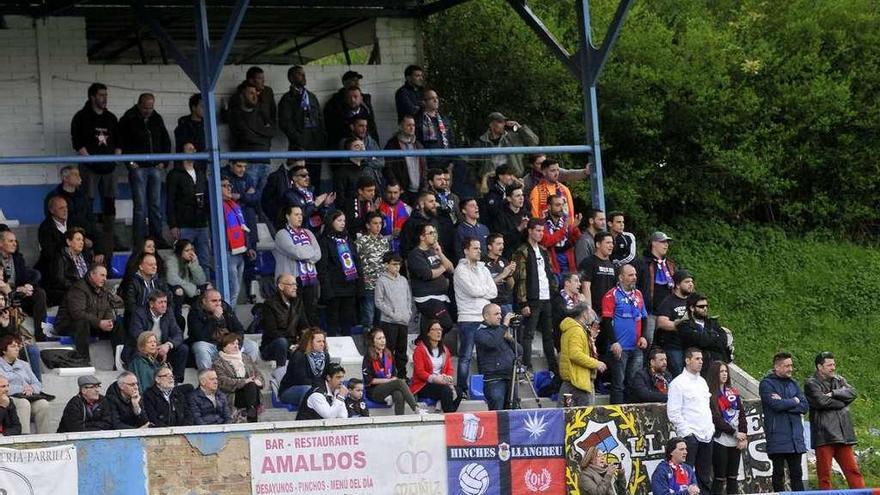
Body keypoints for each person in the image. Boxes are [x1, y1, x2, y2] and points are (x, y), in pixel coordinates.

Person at [70, 82, 122, 251]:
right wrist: (91, 161)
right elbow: (78, 142)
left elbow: (119, 142)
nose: (104, 98)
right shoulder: (81, 117)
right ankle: (88, 237)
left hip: (109, 168)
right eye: (101, 95)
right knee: (88, 202)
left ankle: (109, 239)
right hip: (90, 167)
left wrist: (114, 160)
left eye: (106, 95)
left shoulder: (111, 118)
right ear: (92, 97)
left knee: (110, 202)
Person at [805, 351, 864, 490]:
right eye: (829, 365)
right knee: (824, 476)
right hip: (824, 435)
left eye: (834, 364)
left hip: (843, 434)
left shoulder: (839, 379)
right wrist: (843, 402)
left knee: (853, 471)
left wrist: (833, 394)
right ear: (820, 367)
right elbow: (821, 402)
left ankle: (862, 493)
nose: (833, 367)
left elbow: (853, 392)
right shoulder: (811, 383)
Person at [118, 93, 171, 245]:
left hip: (155, 166)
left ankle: (157, 237)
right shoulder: (128, 118)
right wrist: (130, 162)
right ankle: (139, 239)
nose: (149, 110)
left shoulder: (156, 118)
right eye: (146, 107)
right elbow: (121, 141)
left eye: (151, 107)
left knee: (155, 205)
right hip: (138, 167)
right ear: (139, 104)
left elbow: (165, 140)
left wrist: (164, 161)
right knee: (140, 205)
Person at [512, 219, 558, 374]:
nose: (540, 233)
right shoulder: (522, 251)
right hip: (532, 298)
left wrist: (553, 290)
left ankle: (553, 367)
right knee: (528, 334)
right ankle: (527, 366)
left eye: (542, 231)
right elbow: (521, 279)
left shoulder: (544, 251)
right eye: (537, 230)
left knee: (548, 334)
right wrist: (523, 301)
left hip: (546, 297)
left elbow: (549, 274)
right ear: (530, 231)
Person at [667, 348, 714, 495]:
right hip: (690, 436)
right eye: (697, 359)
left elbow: (706, 408)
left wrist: (711, 428)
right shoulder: (677, 383)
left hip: (707, 435)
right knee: (686, 476)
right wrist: (688, 434)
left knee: (705, 476)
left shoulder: (702, 382)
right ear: (687, 360)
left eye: (701, 359)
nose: (701, 362)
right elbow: (673, 412)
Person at [600, 264, 649, 404]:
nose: (634, 278)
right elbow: (607, 321)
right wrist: (614, 342)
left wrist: (644, 336)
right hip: (620, 348)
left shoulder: (638, 294)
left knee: (633, 383)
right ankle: (617, 416)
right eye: (630, 275)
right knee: (618, 384)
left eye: (635, 275)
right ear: (621, 277)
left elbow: (644, 317)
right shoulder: (612, 295)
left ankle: (630, 415)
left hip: (636, 347)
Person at [454, 237, 497, 396]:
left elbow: (494, 292)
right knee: (465, 356)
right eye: (475, 248)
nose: (479, 251)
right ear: (466, 250)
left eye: (480, 248)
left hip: (483, 318)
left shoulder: (484, 269)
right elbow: (473, 291)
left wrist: (481, 291)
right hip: (467, 318)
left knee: (484, 356)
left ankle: (485, 388)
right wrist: (483, 291)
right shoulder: (460, 270)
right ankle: (462, 390)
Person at [54, 264, 119, 363]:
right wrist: (99, 323)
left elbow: (107, 309)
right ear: (92, 274)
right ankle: (83, 360)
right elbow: (77, 313)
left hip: (93, 324)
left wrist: (109, 321)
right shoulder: (78, 288)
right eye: (102, 275)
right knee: (82, 322)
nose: (105, 279)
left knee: (119, 325)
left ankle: (120, 359)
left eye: (105, 276)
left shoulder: (103, 290)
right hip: (68, 325)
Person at [124, 290, 188, 385]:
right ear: (151, 304)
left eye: (165, 302)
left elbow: (178, 333)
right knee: (139, 352)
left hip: (162, 349)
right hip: (142, 349)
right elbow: (138, 336)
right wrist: (157, 349)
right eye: (160, 302)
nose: (164, 305)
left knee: (183, 349)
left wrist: (168, 345)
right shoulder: (139, 313)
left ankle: (175, 381)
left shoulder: (168, 312)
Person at [187, 289, 259, 370]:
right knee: (200, 347)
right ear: (204, 301)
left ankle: (245, 374)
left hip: (227, 342)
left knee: (252, 346)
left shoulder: (226, 308)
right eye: (214, 301)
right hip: (210, 345)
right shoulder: (195, 312)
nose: (218, 304)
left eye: (219, 300)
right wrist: (214, 318)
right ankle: (208, 377)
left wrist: (233, 344)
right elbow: (200, 336)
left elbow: (239, 329)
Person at [273, 205, 321, 325]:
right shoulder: (281, 234)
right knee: (295, 313)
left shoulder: (308, 233)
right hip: (292, 280)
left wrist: (305, 251)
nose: (300, 217)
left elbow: (318, 254)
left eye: (301, 215)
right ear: (287, 216)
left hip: (310, 279)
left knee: (311, 312)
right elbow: (296, 252)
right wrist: (309, 251)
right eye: (296, 214)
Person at [166, 143, 211, 270]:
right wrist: (173, 225)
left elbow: (207, 196)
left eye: (194, 149)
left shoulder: (201, 173)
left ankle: (205, 287)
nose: (194, 151)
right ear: (182, 152)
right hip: (184, 224)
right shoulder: (174, 174)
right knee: (183, 262)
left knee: (204, 261)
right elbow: (170, 201)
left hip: (202, 223)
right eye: (190, 149)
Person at [707, 361, 748, 495]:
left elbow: (741, 414)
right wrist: (734, 432)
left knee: (733, 477)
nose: (724, 374)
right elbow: (716, 419)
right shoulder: (710, 395)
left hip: (737, 439)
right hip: (721, 439)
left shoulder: (733, 392)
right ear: (715, 374)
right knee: (719, 477)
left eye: (726, 371)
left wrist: (743, 434)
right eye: (721, 372)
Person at [317, 211, 361, 336]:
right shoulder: (324, 240)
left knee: (347, 323)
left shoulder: (348, 239)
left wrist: (358, 285)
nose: (342, 224)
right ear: (331, 222)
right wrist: (327, 290)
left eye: (344, 221)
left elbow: (356, 261)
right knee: (333, 322)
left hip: (349, 287)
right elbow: (323, 268)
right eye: (339, 220)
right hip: (333, 289)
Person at [362, 327, 423, 416]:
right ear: (373, 342)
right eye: (379, 338)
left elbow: (394, 374)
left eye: (383, 338)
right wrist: (389, 381)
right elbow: (369, 380)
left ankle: (399, 420)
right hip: (374, 391)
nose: (383, 341)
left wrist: (391, 380)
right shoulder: (368, 357)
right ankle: (416, 408)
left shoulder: (388, 353)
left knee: (398, 394)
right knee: (399, 382)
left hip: (389, 388)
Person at [0, 230, 48, 341]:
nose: (15, 244)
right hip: (4, 295)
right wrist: (15, 289)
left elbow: (28, 275)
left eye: (15, 241)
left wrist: (28, 286)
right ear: (1, 243)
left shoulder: (17, 258)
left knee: (39, 292)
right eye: (10, 241)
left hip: (17, 294)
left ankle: (40, 333)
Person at [407, 222, 455, 333]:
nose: (434, 235)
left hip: (441, 297)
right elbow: (428, 274)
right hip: (427, 298)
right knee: (446, 323)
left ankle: (428, 346)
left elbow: (451, 269)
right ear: (422, 237)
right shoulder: (415, 254)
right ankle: (420, 341)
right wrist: (443, 268)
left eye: (435, 233)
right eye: (431, 233)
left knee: (436, 327)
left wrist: (440, 253)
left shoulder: (434, 251)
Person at [0, 336, 51, 434]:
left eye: (18, 346)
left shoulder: (24, 364)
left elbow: (37, 383)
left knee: (43, 404)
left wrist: (31, 389)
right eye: (12, 346)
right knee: (23, 403)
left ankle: (45, 438)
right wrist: (22, 389)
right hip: (8, 398)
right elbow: (2, 387)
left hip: (28, 396)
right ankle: (24, 439)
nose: (17, 348)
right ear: (4, 350)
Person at [409, 320, 461, 413]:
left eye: (440, 329)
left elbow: (449, 368)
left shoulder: (445, 350)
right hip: (424, 384)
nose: (439, 332)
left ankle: (449, 415)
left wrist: (447, 377)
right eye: (435, 329)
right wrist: (434, 379)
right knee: (446, 391)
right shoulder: (420, 350)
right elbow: (419, 371)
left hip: (441, 382)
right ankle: (448, 416)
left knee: (459, 392)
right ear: (428, 333)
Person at [259, 273, 311, 367]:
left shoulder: (297, 302)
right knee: (281, 342)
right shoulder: (269, 304)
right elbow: (272, 332)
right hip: (272, 346)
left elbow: (304, 327)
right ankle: (280, 373)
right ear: (281, 286)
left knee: (314, 340)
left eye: (296, 285)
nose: (295, 287)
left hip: (292, 345)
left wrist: (301, 342)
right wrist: (290, 345)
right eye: (292, 285)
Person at [558, 304, 605, 407]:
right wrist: (596, 363)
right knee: (583, 420)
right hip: (578, 382)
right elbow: (575, 354)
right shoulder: (576, 330)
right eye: (590, 312)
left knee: (565, 419)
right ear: (584, 314)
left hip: (572, 380)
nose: (593, 315)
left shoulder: (574, 329)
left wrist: (591, 339)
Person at [474, 304, 519, 410]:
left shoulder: (501, 331)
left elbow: (519, 351)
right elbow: (491, 343)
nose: (500, 316)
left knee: (513, 412)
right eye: (496, 314)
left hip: (510, 377)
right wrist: (504, 326)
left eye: (500, 314)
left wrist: (511, 339)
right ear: (486, 316)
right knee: (497, 412)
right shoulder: (480, 332)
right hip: (494, 379)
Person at [636, 231, 677, 348]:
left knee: (665, 344)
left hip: (666, 314)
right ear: (653, 243)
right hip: (649, 312)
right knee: (647, 343)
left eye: (667, 242)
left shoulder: (669, 264)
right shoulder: (642, 262)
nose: (666, 245)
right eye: (663, 242)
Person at [374, 253, 412, 378]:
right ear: (386, 265)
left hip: (403, 321)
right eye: (394, 264)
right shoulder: (381, 280)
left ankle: (402, 375)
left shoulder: (403, 280)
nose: (397, 267)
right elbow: (378, 301)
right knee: (388, 350)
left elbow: (408, 298)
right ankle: (388, 375)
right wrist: (392, 314)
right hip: (389, 322)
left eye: (399, 264)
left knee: (402, 351)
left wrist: (408, 312)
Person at [677, 294, 731, 377]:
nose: (705, 308)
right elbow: (702, 341)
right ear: (692, 308)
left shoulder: (712, 322)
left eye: (706, 306)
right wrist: (715, 335)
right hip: (700, 370)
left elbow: (723, 341)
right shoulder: (685, 325)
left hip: (719, 368)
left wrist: (707, 337)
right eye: (701, 306)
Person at [213, 333, 263, 423]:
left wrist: (258, 380)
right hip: (233, 394)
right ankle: (252, 414)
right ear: (224, 347)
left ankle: (250, 409)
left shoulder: (246, 357)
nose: (236, 346)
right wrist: (244, 381)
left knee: (251, 385)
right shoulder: (218, 363)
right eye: (232, 344)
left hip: (250, 392)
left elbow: (258, 374)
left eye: (237, 344)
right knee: (250, 384)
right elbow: (223, 382)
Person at [278, 65, 326, 156]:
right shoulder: (287, 98)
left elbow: (320, 118)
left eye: (304, 74)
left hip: (316, 144)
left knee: (315, 169)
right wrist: (298, 138)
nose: (304, 77)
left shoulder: (311, 96)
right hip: (299, 146)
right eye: (300, 74)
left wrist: (322, 137)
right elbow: (285, 123)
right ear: (291, 78)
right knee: (300, 170)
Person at [654, 270, 695, 376]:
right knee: (679, 374)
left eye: (691, 281)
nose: (691, 284)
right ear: (677, 285)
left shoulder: (693, 301)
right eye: (687, 282)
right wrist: (679, 326)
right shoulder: (669, 301)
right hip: (673, 346)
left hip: (691, 345)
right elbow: (661, 322)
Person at [221, 177, 254, 304]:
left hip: (241, 252)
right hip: (229, 253)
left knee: (235, 290)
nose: (229, 188)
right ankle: (227, 321)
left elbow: (243, 227)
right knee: (231, 291)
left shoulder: (235, 205)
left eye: (229, 185)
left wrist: (249, 246)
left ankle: (229, 319)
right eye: (224, 185)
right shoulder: (217, 206)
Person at [475, 111, 539, 178]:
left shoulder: (513, 137)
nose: (503, 124)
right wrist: (477, 183)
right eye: (500, 122)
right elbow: (472, 166)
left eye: (504, 122)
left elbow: (534, 142)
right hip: (490, 181)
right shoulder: (481, 142)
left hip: (513, 178)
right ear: (491, 124)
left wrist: (519, 127)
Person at [356, 212, 390, 329]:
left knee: (380, 319)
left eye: (380, 223)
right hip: (368, 285)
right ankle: (367, 344)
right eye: (375, 223)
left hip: (382, 285)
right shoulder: (361, 241)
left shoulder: (384, 241)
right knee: (368, 318)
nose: (378, 226)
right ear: (368, 225)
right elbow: (356, 262)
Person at [278, 327, 330, 406]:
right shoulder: (299, 355)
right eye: (319, 341)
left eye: (323, 341)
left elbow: (325, 376)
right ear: (310, 342)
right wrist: (319, 389)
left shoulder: (325, 356)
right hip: (291, 390)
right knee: (308, 389)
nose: (322, 344)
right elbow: (301, 380)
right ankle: (306, 415)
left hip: (315, 388)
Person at [164, 239, 209, 328]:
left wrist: (194, 265)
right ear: (180, 251)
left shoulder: (190, 261)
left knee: (207, 287)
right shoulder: (171, 260)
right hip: (175, 292)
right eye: (187, 250)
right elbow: (172, 279)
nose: (191, 253)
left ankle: (204, 318)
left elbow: (200, 281)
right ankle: (177, 321)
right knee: (178, 290)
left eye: (192, 250)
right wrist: (192, 289)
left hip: (189, 292)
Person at [44, 227, 93, 307]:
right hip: (66, 291)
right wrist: (78, 287)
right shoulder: (60, 258)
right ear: (69, 242)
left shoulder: (85, 257)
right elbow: (59, 280)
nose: (82, 242)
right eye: (78, 239)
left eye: (82, 240)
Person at [384, 116, 426, 205]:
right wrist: (397, 186)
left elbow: (424, 167)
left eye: (413, 125)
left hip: (419, 190)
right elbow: (387, 168)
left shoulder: (418, 145)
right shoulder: (393, 145)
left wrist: (424, 186)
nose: (412, 128)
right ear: (401, 126)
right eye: (409, 125)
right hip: (402, 191)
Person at [122, 251, 171, 327]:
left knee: (178, 320)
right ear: (141, 266)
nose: (154, 267)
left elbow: (169, 300)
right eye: (151, 265)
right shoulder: (132, 282)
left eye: (155, 264)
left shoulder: (160, 281)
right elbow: (131, 307)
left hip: (158, 316)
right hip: (138, 319)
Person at [541, 196, 582, 275]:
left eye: (562, 205)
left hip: (568, 262)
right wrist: (564, 229)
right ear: (549, 207)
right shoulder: (543, 224)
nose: (561, 208)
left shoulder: (566, 222)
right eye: (557, 205)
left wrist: (575, 228)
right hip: (553, 264)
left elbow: (575, 240)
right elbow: (547, 242)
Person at [578, 231, 616, 316]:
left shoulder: (612, 265)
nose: (611, 245)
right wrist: (589, 310)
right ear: (598, 244)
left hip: (610, 311)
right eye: (608, 242)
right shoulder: (588, 262)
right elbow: (585, 287)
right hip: (595, 311)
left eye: (612, 243)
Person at [488, 184, 530, 259]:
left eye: (522, 195)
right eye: (517, 196)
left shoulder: (527, 214)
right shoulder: (500, 216)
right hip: (508, 256)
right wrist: (519, 228)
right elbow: (502, 239)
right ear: (509, 198)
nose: (521, 198)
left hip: (525, 255)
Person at [522, 153, 589, 198]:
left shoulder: (554, 170)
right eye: (539, 163)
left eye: (545, 162)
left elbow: (568, 174)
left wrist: (585, 172)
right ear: (532, 165)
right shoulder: (527, 180)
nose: (543, 165)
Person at [425, 168, 459, 256]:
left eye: (444, 179)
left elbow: (458, 215)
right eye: (439, 179)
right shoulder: (427, 198)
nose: (443, 182)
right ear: (431, 182)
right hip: (438, 237)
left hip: (452, 236)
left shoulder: (452, 196)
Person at [398, 191, 440, 256]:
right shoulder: (411, 223)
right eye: (431, 201)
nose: (435, 204)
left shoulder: (434, 221)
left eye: (435, 201)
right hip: (418, 261)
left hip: (436, 258)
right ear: (422, 204)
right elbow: (405, 247)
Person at [485, 233, 516, 317]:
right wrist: (503, 274)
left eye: (502, 244)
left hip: (506, 303)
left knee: (509, 329)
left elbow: (510, 286)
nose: (502, 247)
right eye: (498, 244)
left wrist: (509, 275)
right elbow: (484, 285)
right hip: (491, 303)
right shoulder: (482, 263)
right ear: (489, 247)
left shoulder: (504, 261)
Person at [376, 181, 412, 254]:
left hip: (401, 252)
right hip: (381, 252)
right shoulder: (377, 208)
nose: (392, 196)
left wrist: (403, 232)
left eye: (395, 192)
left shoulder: (408, 209)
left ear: (400, 192)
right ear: (385, 192)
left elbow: (411, 234)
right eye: (389, 192)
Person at [126, 331, 163, 396]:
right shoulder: (139, 361)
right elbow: (143, 385)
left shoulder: (153, 360)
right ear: (142, 345)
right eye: (149, 342)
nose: (153, 344)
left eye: (154, 342)